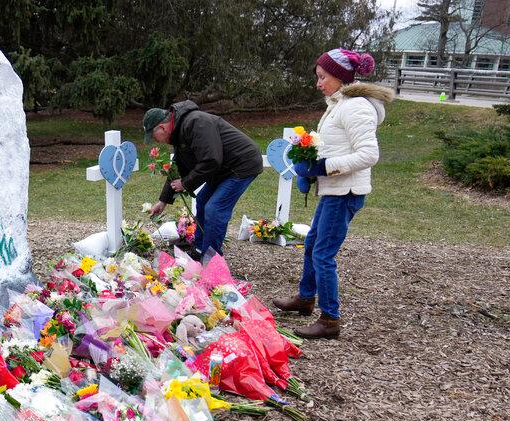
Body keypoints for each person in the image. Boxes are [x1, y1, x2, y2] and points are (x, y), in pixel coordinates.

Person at [273, 48, 394, 339]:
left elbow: (368, 154)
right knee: (314, 244)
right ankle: (305, 299)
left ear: (340, 76)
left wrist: (324, 167)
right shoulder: (339, 103)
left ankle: (329, 320)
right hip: (334, 190)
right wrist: (310, 164)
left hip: (345, 192)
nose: (318, 83)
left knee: (323, 253)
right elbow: (333, 145)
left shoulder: (355, 107)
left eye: (322, 77)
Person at [143, 102, 263, 263]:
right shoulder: (180, 129)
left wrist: (185, 184)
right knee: (202, 201)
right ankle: (200, 249)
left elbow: (211, 160)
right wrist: (163, 200)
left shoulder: (196, 122)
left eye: (153, 135)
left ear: (163, 127)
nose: (155, 140)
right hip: (223, 168)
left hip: (241, 164)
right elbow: (179, 166)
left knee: (215, 208)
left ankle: (211, 260)